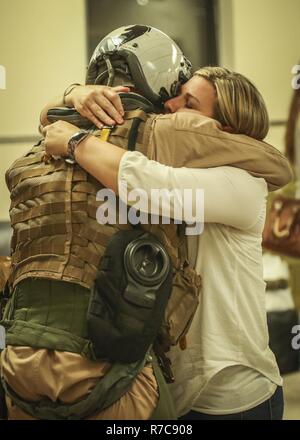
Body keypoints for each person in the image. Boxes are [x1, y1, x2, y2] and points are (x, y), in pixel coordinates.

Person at [1, 24, 291, 419]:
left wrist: (75, 142)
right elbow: (58, 124)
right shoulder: (154, 150)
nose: (170, 107)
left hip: (232, 392)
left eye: (188, 104)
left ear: (223, 132)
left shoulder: (243, 185)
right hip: (166, 385)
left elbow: (151, 185)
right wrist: (76, 95)